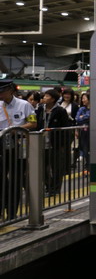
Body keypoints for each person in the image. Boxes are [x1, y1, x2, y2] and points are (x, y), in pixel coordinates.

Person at [0, 80, 37, 219]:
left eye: (2, 91)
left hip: (18, 145)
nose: (0, 95)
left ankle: (11, 213)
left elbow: (33, 123)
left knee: (16, 179)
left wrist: (16, 129)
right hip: (1, 144)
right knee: (1, 179)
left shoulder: (25, 105)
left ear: (11, 91)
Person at [36, 89, 71, 196]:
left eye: (47, 96)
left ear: (53, 99)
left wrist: (63, 144)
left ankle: (55, 189)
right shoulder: (40, 108)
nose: (44, 98)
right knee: (42, 167)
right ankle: (48, 185)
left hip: (55, 143)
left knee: (56, 167)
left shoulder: (60, 111)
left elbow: (65, 129)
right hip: (41, 142)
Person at [75, 92, 90, 170]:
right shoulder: (81, 109)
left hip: (92, 132)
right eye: (82, 98)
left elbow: (92, 116)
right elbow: (77, 119)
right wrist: (86, 117)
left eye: (84, 98)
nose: (83, 100)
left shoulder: (94, 108)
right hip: (84, 132)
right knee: (85, 148)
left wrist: (83, 116)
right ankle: (87, 165)